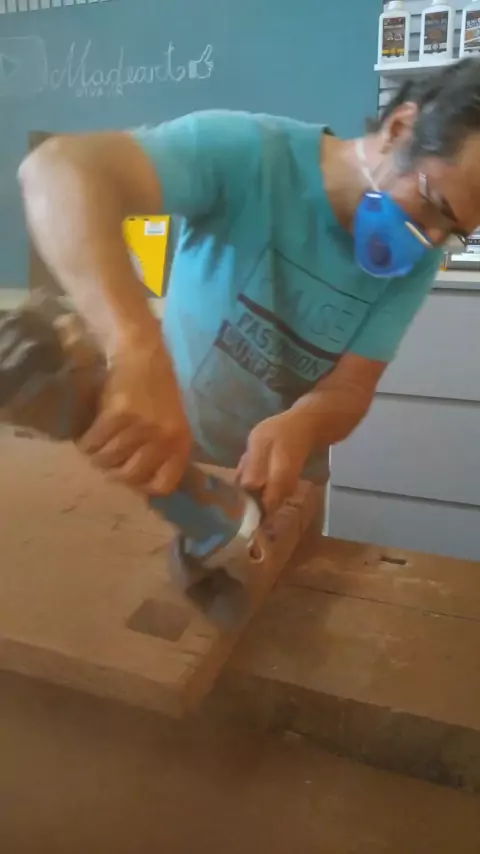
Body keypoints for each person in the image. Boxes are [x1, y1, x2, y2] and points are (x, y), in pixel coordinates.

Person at [18, 59, 479, 518]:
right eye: (436, 204)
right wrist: (137, 350)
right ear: (399, 128)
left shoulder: (416, 256)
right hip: (166, 459)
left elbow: (353, 385)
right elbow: (58, 170)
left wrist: (304, 422)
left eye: (455, 231)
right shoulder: (252, 154)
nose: (432, 238)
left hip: (279, 491)